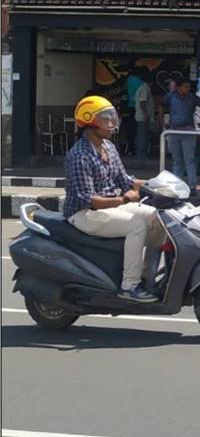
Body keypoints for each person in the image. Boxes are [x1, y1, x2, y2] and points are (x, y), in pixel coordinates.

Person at [63, 96, 165, 303]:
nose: (112, 124)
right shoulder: (80, 155)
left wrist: (157, 186)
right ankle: (129, 286)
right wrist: (124, 201)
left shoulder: (109, 147)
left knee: (159, 219)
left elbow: (125, 180)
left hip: (110, 207)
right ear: (89, 121)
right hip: (83, 214)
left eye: (112, 117)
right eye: (105, 119)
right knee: (137, 225)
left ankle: (146, 275)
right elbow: (89, 200)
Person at [161, 79, 200, 196]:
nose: (187, 89)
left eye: (188, 87)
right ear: (178, 87)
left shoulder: (192, 97)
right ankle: (177, 186)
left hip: (188, 131)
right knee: (177, 160)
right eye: (185, 87)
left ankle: (192, 186)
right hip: (174, 130)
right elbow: (161, 106)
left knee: (189, 159)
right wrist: (162, 122)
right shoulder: (170, 97)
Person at [133, 68, 155, 158]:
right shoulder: (144, 88)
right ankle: (141, 153)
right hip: (143, 116)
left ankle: (141, 152)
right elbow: (143, 102)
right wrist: (146, 114)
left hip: (140, 115)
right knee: (143, 135)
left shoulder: (141, 88)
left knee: (142, 134)